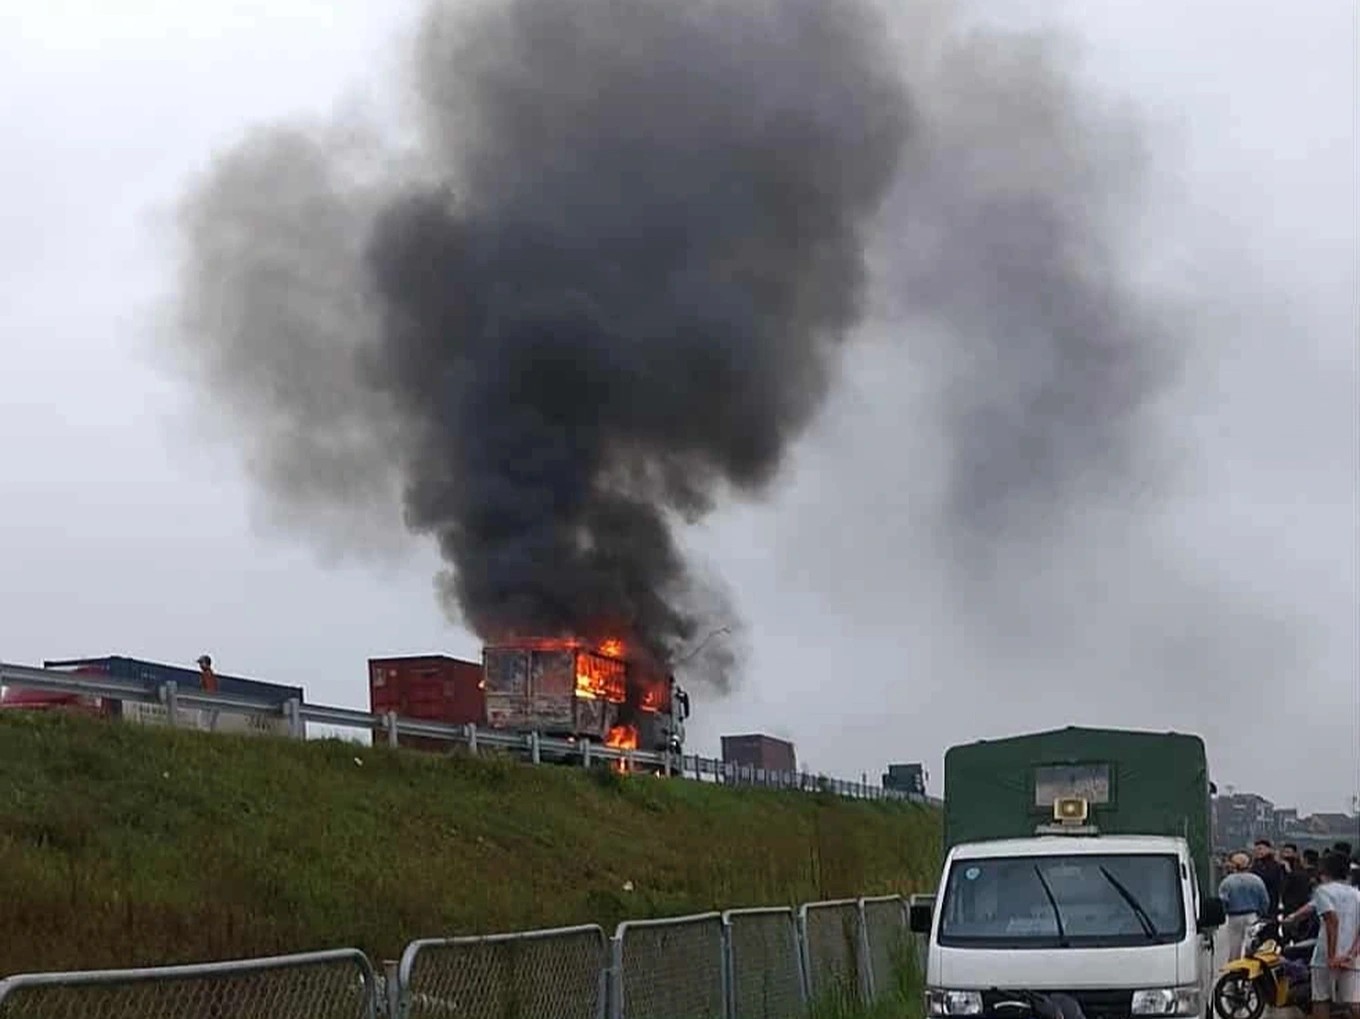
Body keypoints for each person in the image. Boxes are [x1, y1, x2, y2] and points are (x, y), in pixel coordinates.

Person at [1305, 852, 1360, 1017]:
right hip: (1350, 957)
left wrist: (1331, 956)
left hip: (1324, 957)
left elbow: (1331, 920)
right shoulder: (1356, 894)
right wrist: (1352, 954)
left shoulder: (1323, 891)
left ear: (1324, 871)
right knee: (1354, 1002)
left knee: (1321, 999)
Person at [1220, 852, 1271, 958]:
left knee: (1234, 947)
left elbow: (1223, 901)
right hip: (1252, 916)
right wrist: (1262, 913)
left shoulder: (1227, 882)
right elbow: (1265, 900)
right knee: (1251, 945)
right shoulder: (1257, 880)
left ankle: (1234, 968)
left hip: (1234, 917)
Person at [1252, 839, 1286, 916]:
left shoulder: (1274, 865)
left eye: (1260, 849)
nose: (1258, 852)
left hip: (1271, 900)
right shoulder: (1255, 865)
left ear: (1269, 850)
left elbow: (1271, 879)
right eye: (1256, 850)